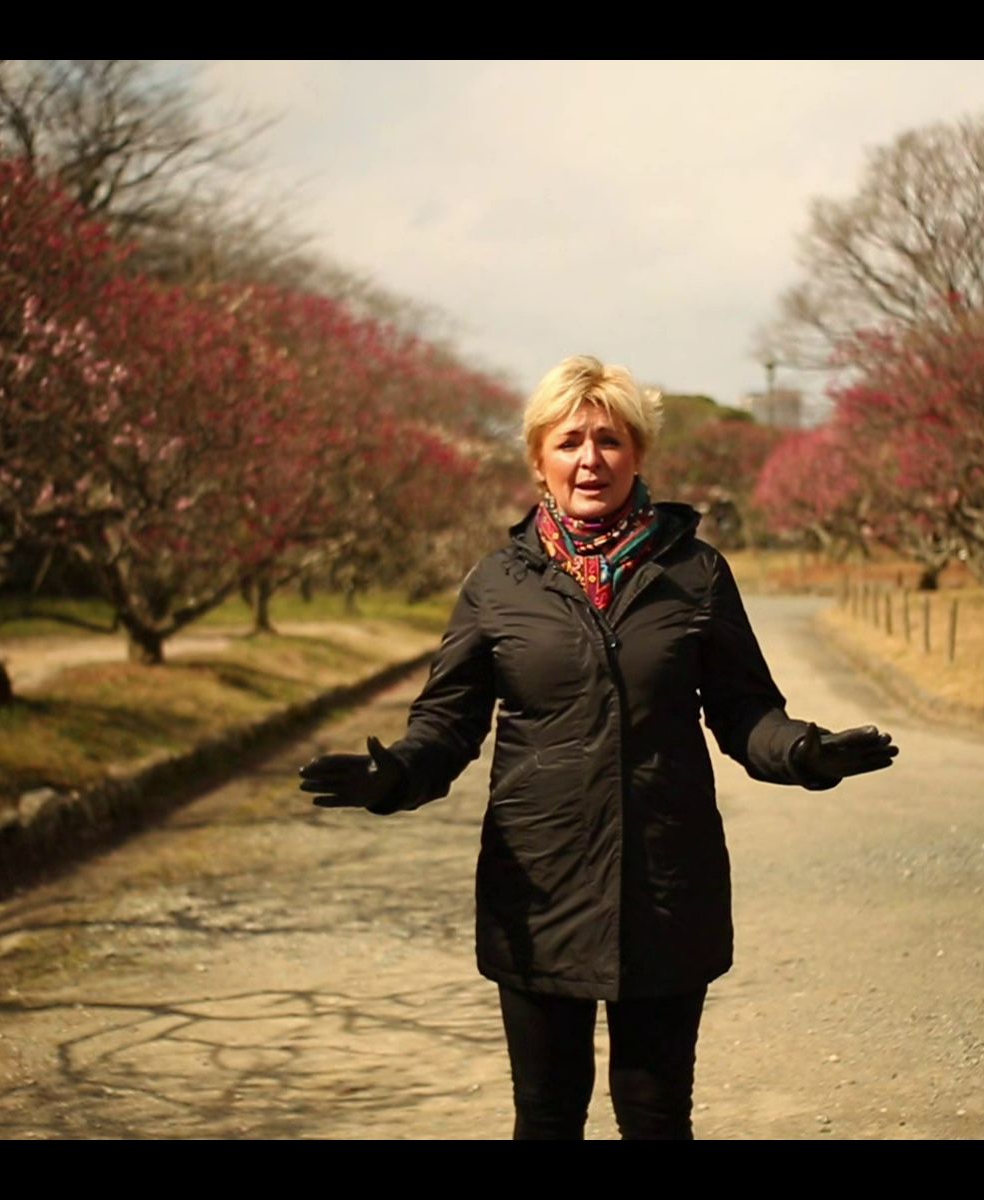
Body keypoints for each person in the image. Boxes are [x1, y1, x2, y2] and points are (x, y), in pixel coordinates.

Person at [299, 354, 898, 1139]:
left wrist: (806, 754)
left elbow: (747, 711)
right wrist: (394, 776)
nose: (591, 460)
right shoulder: (497, 584)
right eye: (570, 441)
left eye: (611, 440)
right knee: (546, 1118)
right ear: (538, 460)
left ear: (637, 454)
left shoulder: (696, 573)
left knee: (657, 1118)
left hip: (666, 885)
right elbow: (447, 724)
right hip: (539, 885)